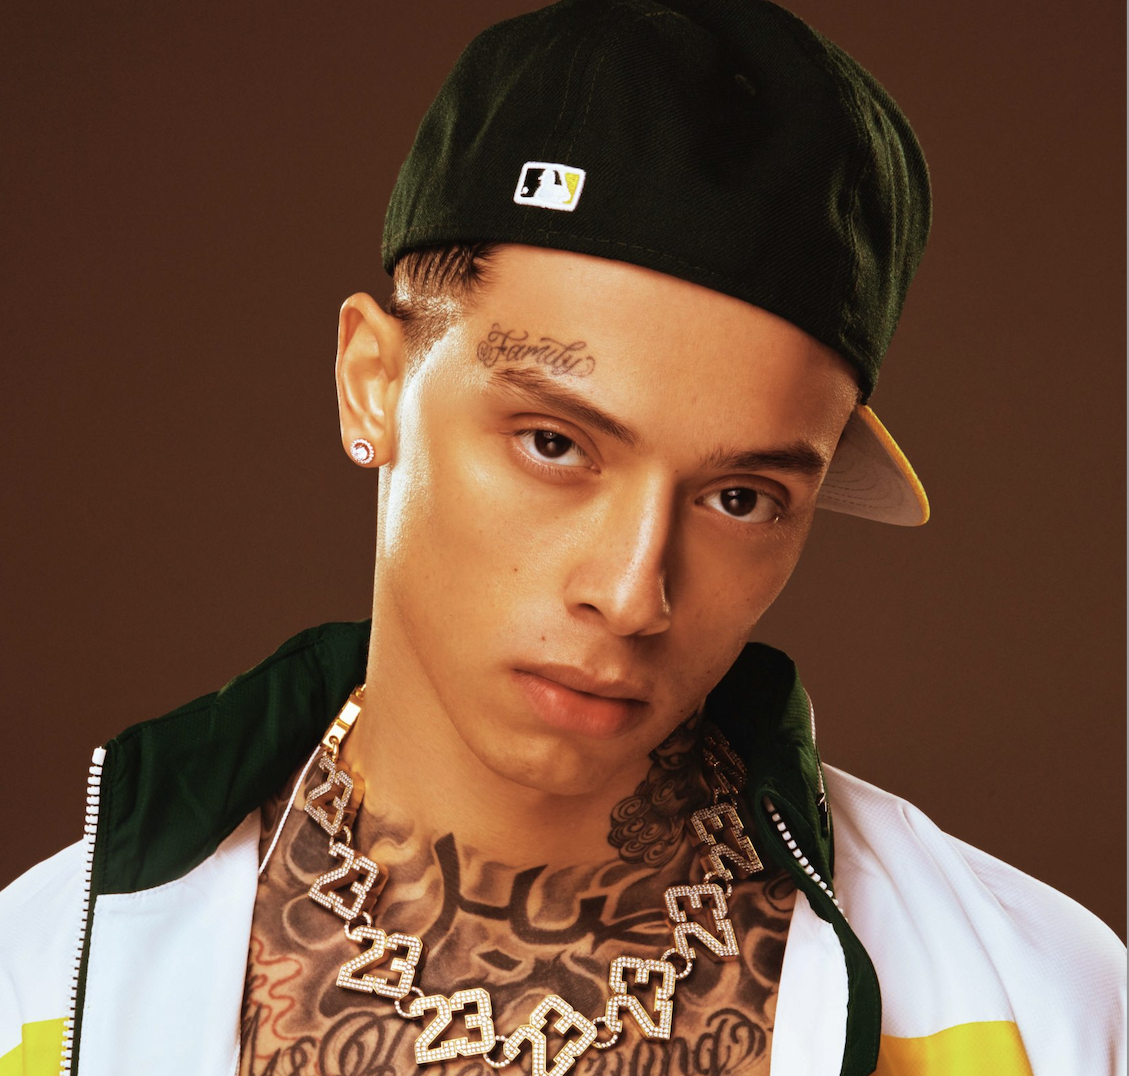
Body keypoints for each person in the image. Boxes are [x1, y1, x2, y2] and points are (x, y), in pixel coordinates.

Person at [0, 1, 1123, 1074]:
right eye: (553, 442)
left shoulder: (1040, 1003)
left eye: (739, 497)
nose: (634, 591)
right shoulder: (35, 983)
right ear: (371, 385)